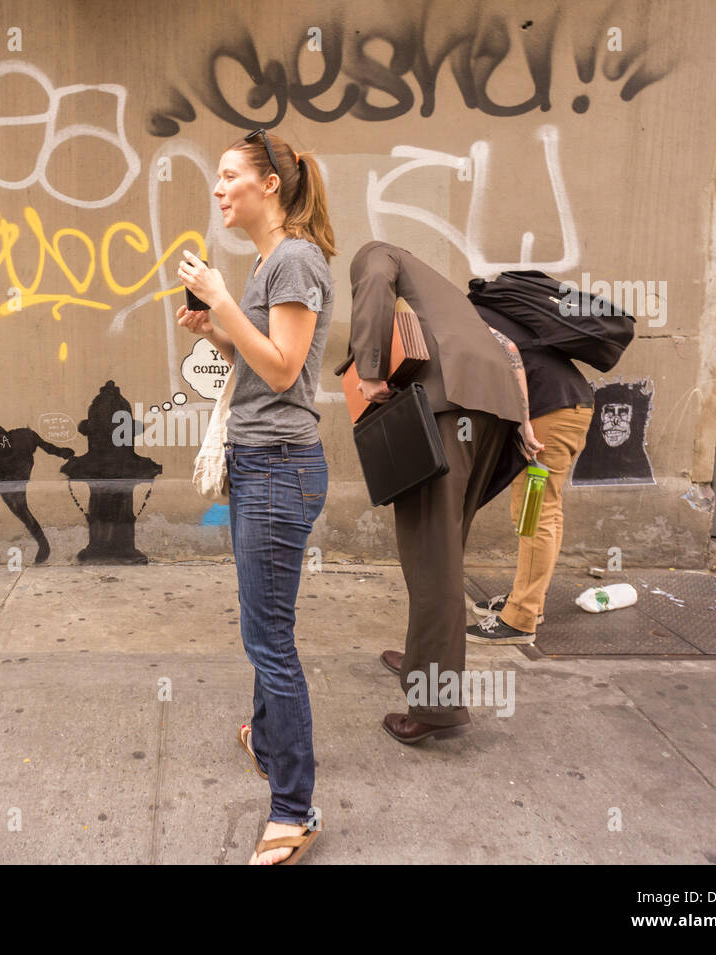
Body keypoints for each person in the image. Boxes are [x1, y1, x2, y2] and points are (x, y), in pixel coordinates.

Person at [177, 129, 335, 865]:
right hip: (258, 461)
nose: (219, 188)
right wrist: (215, 329)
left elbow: (283, 370)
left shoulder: (296, 257)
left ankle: (294, 808)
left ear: (271, 184)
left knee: (272, 641)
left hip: (279, 466)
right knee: (260, 627)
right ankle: (268, 738)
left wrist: (218, 297)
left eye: (230, 174)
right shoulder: (271, 260)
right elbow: (255, 360)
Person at [338, 242, 543, 744]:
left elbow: (372, 284)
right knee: (441, 550)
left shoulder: (377, 253)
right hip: (490, 411)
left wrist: (367, 370)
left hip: (445, 408)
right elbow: (508, 349)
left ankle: (435, 704)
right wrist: (524, 420)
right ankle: (420, 659)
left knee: (432, 558)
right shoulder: (447, 295)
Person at [466, 302, 594, 645]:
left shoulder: (467, 316)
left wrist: (523, 424)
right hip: (567, 405)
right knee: (541, 511)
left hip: (550, 415)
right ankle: (528, 603)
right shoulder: (489, 312)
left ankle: (521, 618)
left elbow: (509, 352)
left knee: (535, 513)